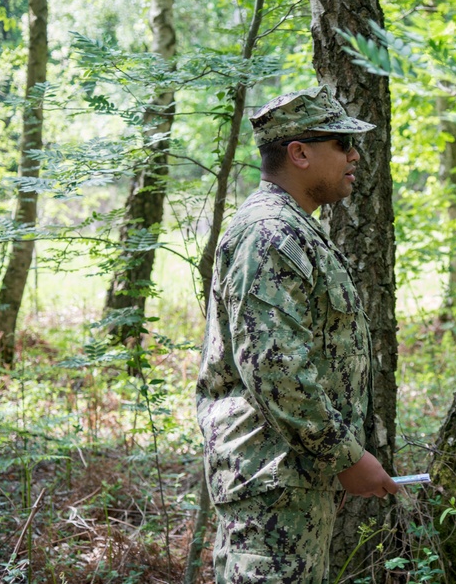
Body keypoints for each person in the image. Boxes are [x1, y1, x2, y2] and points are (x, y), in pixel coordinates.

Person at [196, 85, 399, 584]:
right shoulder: (269, 234)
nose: (354, 156)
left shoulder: (293, 228)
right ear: (300, 153)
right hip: (270, 481)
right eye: (340, 143)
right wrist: (346, 458)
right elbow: (275, 370)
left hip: (292, 477)